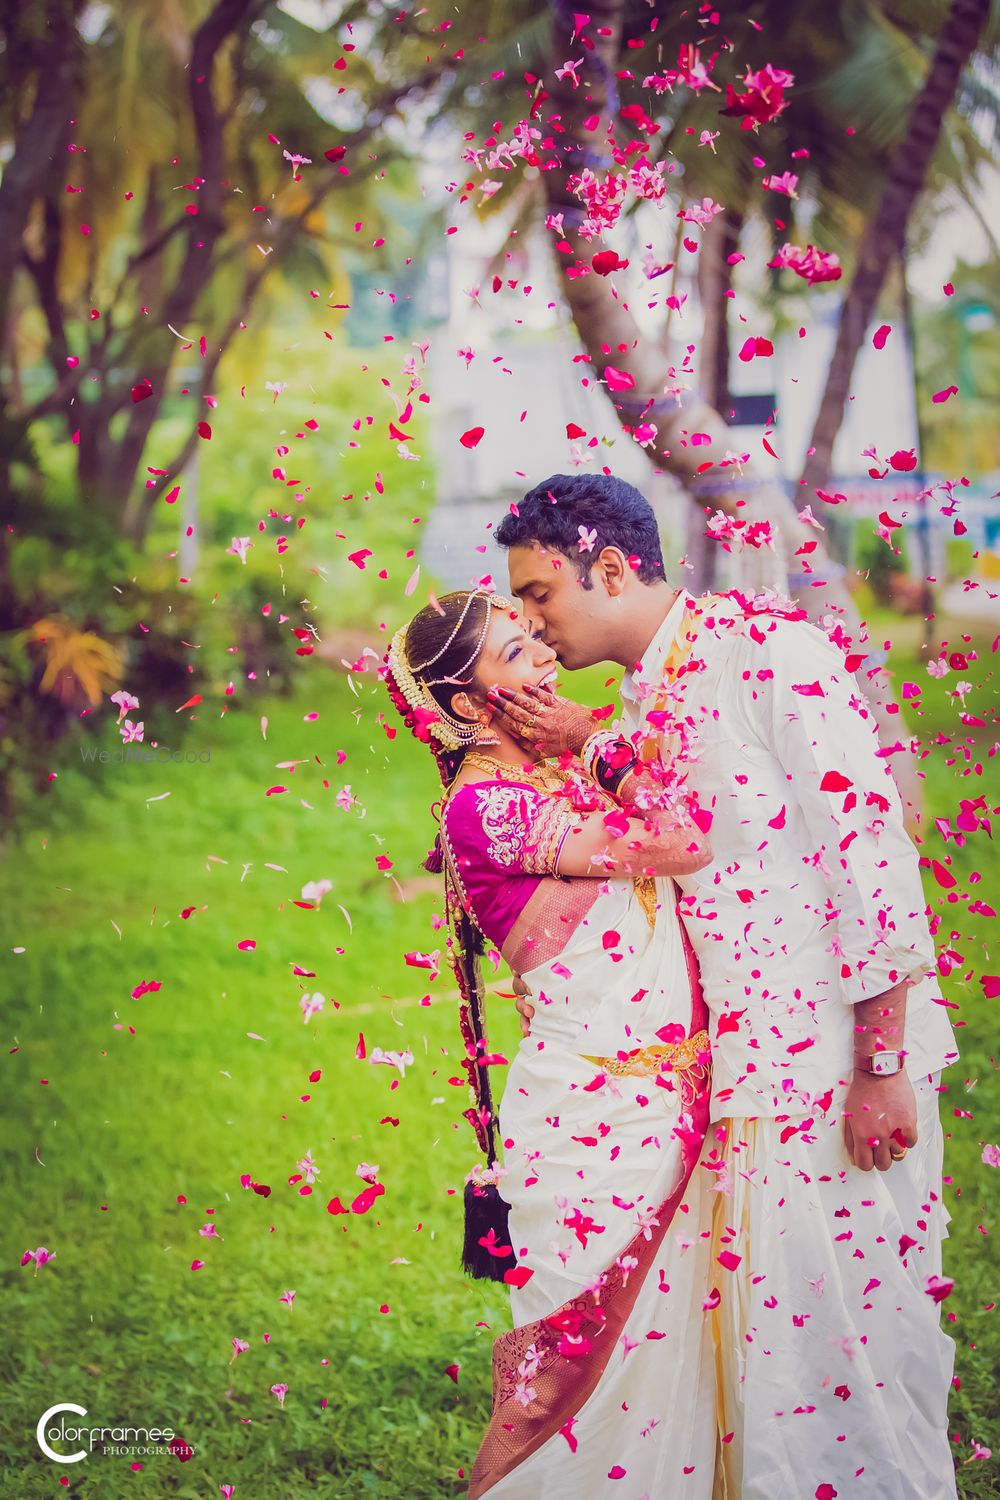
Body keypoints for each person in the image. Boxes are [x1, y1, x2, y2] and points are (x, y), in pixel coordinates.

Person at [490, 473, 961, 1500]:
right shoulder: (644, 689)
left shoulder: (769, 651)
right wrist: (588, 742)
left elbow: (868, 852)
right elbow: (692, 831)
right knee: (764, 1362)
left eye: (537, 595)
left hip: (833, 1067)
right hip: (736, 1074)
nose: (529, 623)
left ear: (609, 570)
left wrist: (879, 1065)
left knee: (850, 1353)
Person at [382, 588, 722, 1498]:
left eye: (536, 638)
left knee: (672, 1358)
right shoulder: (488, 808)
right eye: (514, 654)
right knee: (554, 1386)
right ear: (464, 708)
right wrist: (594, 735)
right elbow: (684, 836)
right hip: (593, 1122)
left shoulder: (558, 779)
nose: (543, 659)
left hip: (674, 1097)